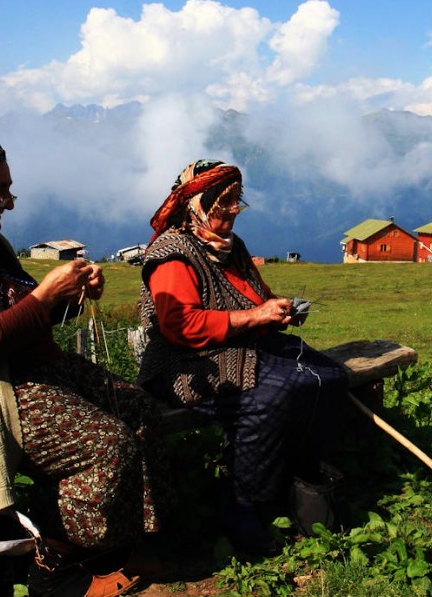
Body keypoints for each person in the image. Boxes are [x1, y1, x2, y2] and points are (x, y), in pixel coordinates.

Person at [0, 139, 173, 596]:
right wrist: (45, 295)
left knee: (138, 409)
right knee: (106, 445)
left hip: (17, 369)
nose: (8, 204)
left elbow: (20, 316)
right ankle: (57, 568)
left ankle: (120, 545)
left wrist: (69, 295)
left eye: (9, 192)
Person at [137, 159, 348, 555]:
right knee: (270, 397)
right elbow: (180, 326)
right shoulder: (173, 255)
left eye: (238, 202)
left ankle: (304, 482)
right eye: (224, 204)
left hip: (239, 348)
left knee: (328, 376)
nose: (234, 211)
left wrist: (276, 308)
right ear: (198, 204)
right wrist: (255, 316)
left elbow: (256, 296)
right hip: (186, 364)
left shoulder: (232, 249)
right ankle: (242, 509)